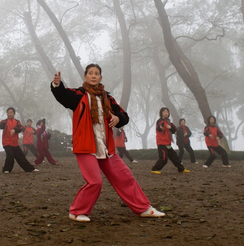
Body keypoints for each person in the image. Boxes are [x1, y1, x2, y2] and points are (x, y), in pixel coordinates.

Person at [51, 64, 165, 222]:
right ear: (85, 77)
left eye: (96, 73)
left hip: (106, 148)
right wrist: (57, 84)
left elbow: (123, 116)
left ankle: (144, 208)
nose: (93, 76)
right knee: (95, 182)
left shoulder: (107, 98)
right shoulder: (78, 95)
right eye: (90, 73)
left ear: (100, 77)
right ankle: (76, 211)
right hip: (85, 147)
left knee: (125, 177)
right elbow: (63, 95)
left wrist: (118, 119)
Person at [0, 107, 39, 174]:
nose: (9, 114)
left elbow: (21, 127)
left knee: (21, 156)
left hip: (14, 143)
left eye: (11, 112)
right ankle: (6, 169)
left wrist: (14, 130)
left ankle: (30, 169)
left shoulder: (17, 122)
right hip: (6, 142)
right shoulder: (4, 121)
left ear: (14, 114)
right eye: (8, 113)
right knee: (10, 154)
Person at [151, 107, 190, 174]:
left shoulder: (169, 122)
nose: (166, 113)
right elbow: (159, 128)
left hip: (168, 143)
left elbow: (175, 130)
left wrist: (171, 127)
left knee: (175, 157)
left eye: (167, 112)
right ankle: (154, 169)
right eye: (164, 112)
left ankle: (181, 169)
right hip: (161, 143)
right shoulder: (160, 121)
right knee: (163, 158)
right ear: (161, 113)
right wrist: (160, 127)